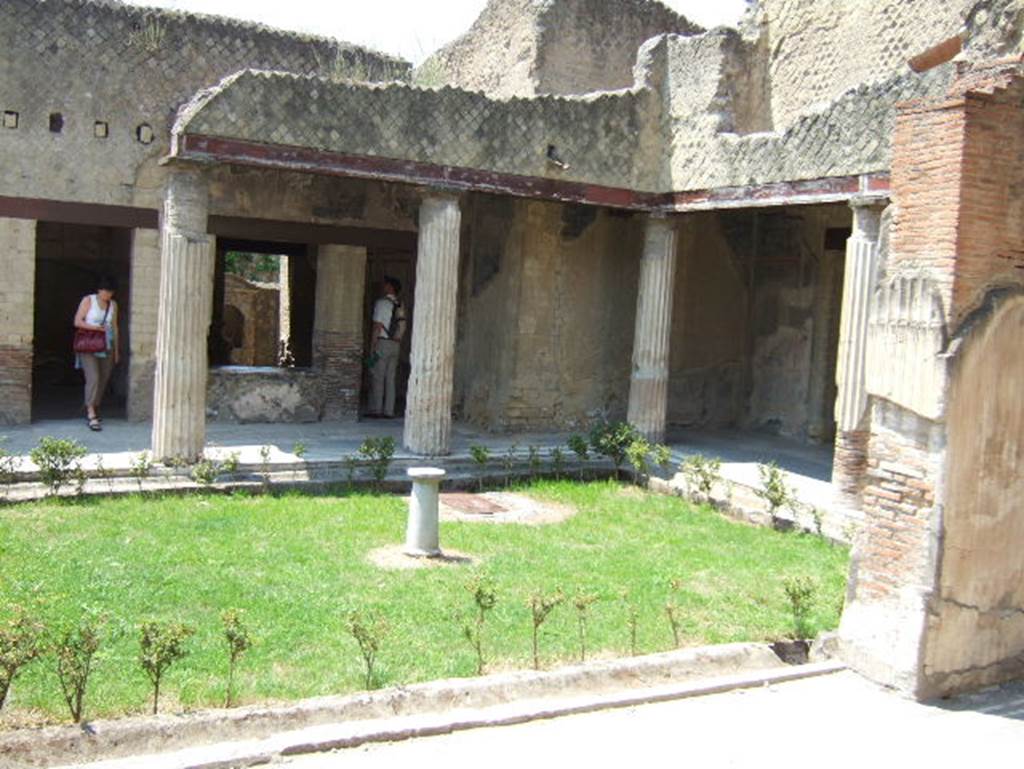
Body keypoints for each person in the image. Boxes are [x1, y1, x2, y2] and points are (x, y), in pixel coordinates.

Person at [73, 275, 120, 431]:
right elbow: (77, 321)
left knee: (104, 377)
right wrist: (96, 329)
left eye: (111, 292)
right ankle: (91, 412)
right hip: (89, 344)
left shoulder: (113, 304)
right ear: (99, 290)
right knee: (93, 377)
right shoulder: (88, 300)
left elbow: (114, 327)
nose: (108, 295)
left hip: (107, 344)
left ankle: (94, 404)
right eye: (106, 291)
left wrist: (117, 350)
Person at [367, 276, 406, 418]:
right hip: (396, 344)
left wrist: (372, 347)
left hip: (382, 342)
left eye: (385, 285)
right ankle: (389, 411)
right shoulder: (400, 304)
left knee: (378, 376)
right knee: (391, 378)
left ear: (390, 287)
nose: (383, 286)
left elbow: (377, 326)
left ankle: (376, 409)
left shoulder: (381, 303)